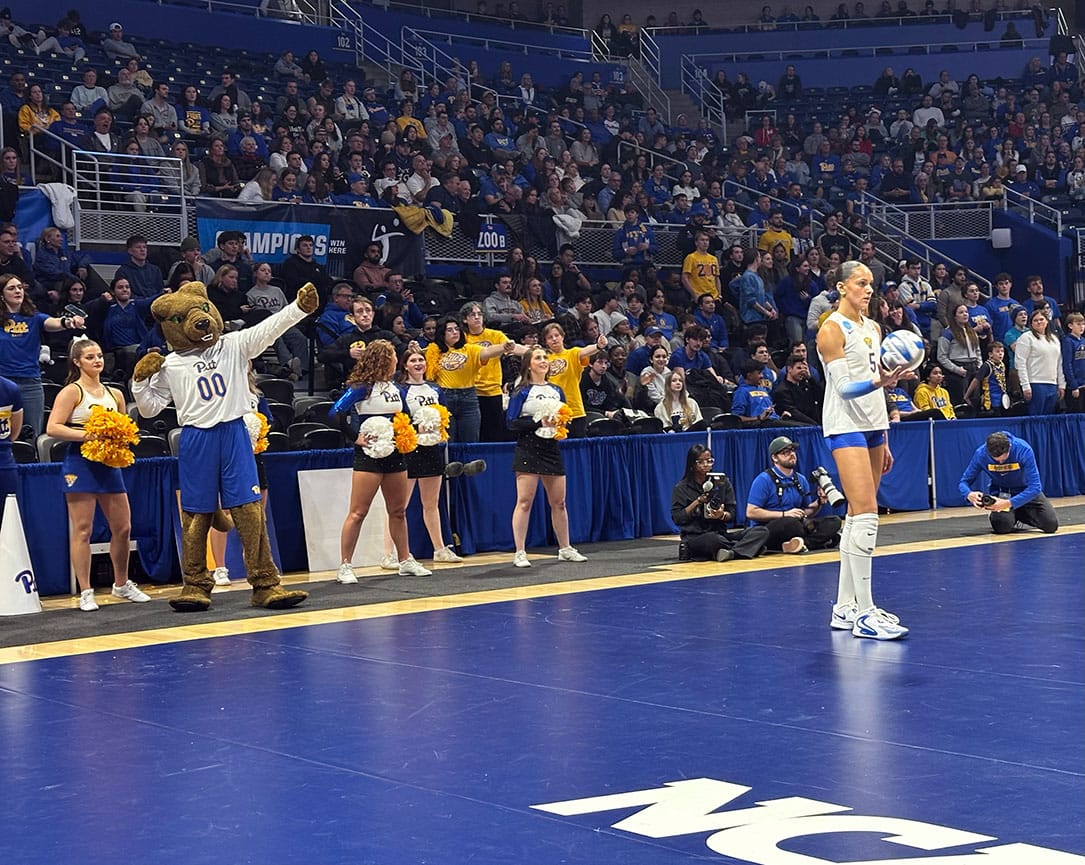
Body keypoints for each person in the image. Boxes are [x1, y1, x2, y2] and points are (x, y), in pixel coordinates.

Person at [815, 260, 911, 640]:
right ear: (841, 287)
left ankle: (844, 607)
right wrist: (880, 380)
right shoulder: (830, 329)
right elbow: (844, 389)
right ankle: (867, 612)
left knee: (856, 516)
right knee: (868, 513)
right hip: (845, 424)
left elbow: (877, 391)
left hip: (873, 427)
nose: (868, 289)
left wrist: (884, 436)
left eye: (871, 283)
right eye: (860, 283)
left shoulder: (873, 327)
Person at [45, 337, 151, 611]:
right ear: (77, 362)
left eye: (100, 356)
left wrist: (120, 439)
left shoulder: (115, 393)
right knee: (83, 529)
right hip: (80, 462)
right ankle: (86, 591)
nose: (97, 361)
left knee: (123, 527)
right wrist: (90, 435)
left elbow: (123, 427)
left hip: (109, 463)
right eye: (90, 357)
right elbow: (53, 428)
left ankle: (121, 584)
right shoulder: (72, 392)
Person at [334, 339, 432, 583]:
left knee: (398, 511)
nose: (397, 361)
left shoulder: (396, 388)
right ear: (382, 360)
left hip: (395, 454)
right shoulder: (361, 387)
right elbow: (335, 412)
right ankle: (345, 565)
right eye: (393, 357)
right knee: (358, 511)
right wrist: (354, 437)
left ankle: (405, 559)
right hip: (369, 456)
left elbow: (405, 417)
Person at [382, 346, 464, 566]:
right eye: (413, 361)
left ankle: (439, 548)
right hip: (409, 448)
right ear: (405, 365)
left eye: (421, 360)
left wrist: (438, 431)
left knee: (432, 503)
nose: (418, 364)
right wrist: (416, 429)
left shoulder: (436, 389)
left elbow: (444, 416)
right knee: (400, 505)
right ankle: (390, 554)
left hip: (432, 449)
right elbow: (398, 419)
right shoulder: (400, 390)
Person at [506, 346, 587, 568]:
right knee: (524, 502)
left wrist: (560, 426)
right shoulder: (522, 391)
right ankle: (520, 551)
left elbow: (564, 416)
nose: (543, 361)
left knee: (559, 502)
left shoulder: (557, 389)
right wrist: (537, 422)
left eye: (545, 357)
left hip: (551, 448)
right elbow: (511, 423)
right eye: (538, 358)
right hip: (528, 447)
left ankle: (565, 548)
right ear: (528, 364)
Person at [1, 273, 85, 438]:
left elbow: (54, 323)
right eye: (11, 288)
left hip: (30, 383)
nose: (18, 291)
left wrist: (69, 322)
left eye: (20, 287)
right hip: (3, 381)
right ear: (1, 295)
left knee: (32, 433)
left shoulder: (34, 317)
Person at [671, 444, 770, 563]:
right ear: (692, 464)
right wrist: (697, 502)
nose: (706, 465)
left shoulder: (722, 482)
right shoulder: (681, 488)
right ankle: (748, 548)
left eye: (709, 461)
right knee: (713, 540)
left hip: (720, 533)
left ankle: (732, 552)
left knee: (761, 531)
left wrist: (722, 515)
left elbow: (732, 513)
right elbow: (678, 518)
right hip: (696, 537)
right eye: (701, 462)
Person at [746, 436, 842, 553]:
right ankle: (819, 541)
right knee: (791, 523)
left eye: (792, 450)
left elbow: (806, 512)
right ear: (774, 458)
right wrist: (784, 514)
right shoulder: (763, 480)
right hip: (770, 527)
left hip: (796, 524)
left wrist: (819, 502)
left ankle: (800, 544)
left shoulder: (801, 479)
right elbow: (751, 512)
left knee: (834, 521)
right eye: (785, 452)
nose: (791, 454)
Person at [425, 315, 513, 442]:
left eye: (456, 329)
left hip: (469, 399)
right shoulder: (433, 351)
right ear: (441, 333)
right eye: (450, 330)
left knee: (471, 440)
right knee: (449, 441)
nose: (455, 332)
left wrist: (503, 347)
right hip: (444, 397)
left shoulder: (469, 349)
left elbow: (487, 352)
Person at [958, 430, 1058, 535]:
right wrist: (968, 494)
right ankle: (1008, 515)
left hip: (1026, 492)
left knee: (1050, 525)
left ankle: (1018, 512)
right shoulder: (980, 454)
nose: (1000, 462)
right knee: (1002, 527)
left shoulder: (1023, 449)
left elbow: (1035, 487)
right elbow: (963, 482)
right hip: (1002, 494)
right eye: (996, 460)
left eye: (1003, 459)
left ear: (1009, 446)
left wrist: (1008, 503)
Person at [542, 321, 608, 438]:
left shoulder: (572, 353)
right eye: (550, 337)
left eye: (557, 335)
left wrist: (598, 346)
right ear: (546, 342)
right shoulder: (543, 359)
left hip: (575, 411)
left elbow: (585, 351)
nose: (554, 339)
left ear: (562, 337)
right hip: (552, 412)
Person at [1014, 308, 1065, 415]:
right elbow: (1020, 363)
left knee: (1048, 417)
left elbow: (1059, 363)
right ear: (1031, 324)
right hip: (1035, 384)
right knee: (1036, 417)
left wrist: (1061, 384)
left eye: (1041, 319)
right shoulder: (1026, 338)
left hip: (1052, 384)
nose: (1039, 322)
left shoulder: (1054, 339)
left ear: (1047, 321)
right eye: (1035, 320)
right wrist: (1025, 386)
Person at [654, 367, 702, 431]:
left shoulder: (692, 403)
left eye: (680, 380)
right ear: (668, 385)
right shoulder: (660, 407)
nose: (678, 383)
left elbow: (699, 424)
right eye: (674, 381)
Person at [1061, 312, 1085, 413]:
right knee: (1077, 412)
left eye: (1083, 324)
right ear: (1070, 325)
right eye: (1078, 324)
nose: (1082, 327)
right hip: (1075, 386)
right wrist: (1073, 384)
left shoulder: (1083, 340)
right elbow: (1067, 364)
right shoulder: (1067, 341)